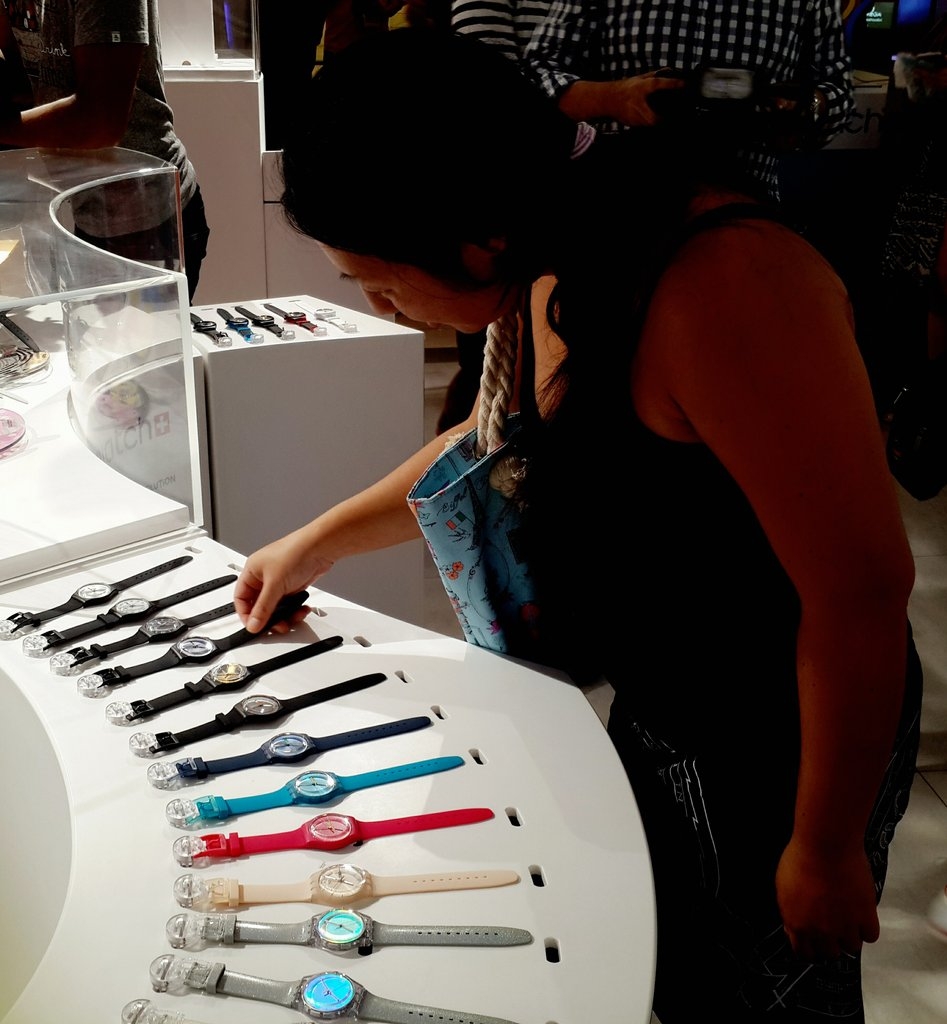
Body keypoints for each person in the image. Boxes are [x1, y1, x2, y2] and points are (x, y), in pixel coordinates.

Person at [232, 28, 922, 1023]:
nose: (385, 307)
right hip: (668, 695)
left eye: (378, 280)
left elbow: (858, 594)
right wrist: (318, 539)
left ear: (476, 237)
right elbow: (500, 438)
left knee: (765, 987)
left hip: (784, 730)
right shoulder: (556, 246)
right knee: (666, 961)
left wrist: (823, 845)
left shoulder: (722, 285)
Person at [524, 0, 855, 201]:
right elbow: (535, 74)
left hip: (748, 214)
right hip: (618, 206)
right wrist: (614, 98)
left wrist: (808, 107)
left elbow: (838, 88)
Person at [0, 0, 209, 301]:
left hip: (147, 219)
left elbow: (101, 121)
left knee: (142, 333)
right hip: (83, 209)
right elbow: (23, 87)